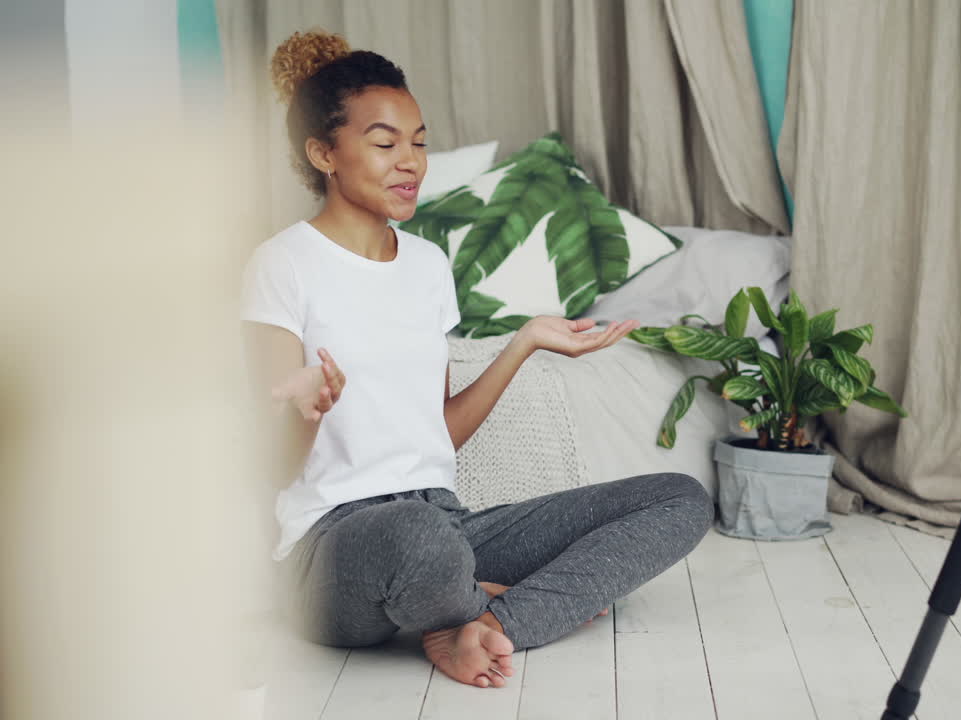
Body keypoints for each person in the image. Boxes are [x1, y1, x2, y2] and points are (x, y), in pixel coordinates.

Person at [241, 30, 713, 689]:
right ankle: (502, 603)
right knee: (420, 542)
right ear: (324, 153)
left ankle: (486, 622)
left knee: (680, 498)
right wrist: (309, 410)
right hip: (331, 546)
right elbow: (274, 467)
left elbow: (440, 432)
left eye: (419, 142)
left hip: (445, 516)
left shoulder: (429, 267)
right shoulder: (282, 265)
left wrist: (524, 343)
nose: (410, 163)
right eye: (384, 144)